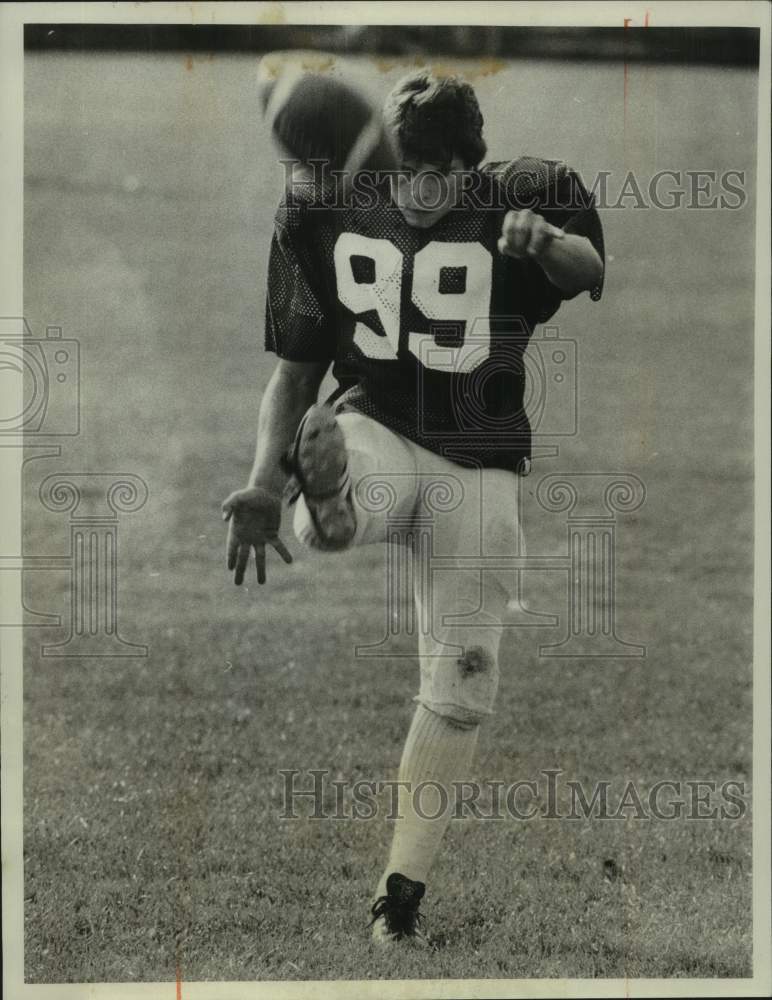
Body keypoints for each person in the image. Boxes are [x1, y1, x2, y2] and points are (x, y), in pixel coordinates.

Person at [222, 70, 604, 946]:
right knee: (352, 467)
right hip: (378, 425)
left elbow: (589, 270)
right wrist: (264, 483)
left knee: (464, 678)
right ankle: (326, 499)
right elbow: (296, 371)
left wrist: (546, 240)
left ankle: (398, 900)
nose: (420, 191)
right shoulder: (328, 207)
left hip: (480, 457)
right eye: (405, 171)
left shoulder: (523, 196)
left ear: (472, 167)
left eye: (440, 174)